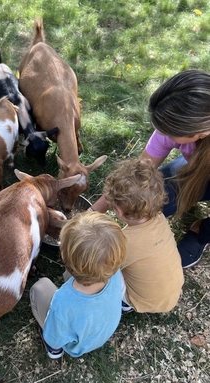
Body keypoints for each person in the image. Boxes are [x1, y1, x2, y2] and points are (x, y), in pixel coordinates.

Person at [90, 69, 210, 268]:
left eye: (170, 133)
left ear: (203, 133)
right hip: (198, 166)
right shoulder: (177, 126)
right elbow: (139, 173)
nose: (162, 135)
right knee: (146, 202)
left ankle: (202, 232)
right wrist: (94, 211)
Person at [30, 212, 126, 359]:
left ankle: (54, 351)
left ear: (63, 255)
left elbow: (54, 335)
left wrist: (53, 342)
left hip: (78, 346)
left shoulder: (63, 301)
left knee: (40, 287)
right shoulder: (112, 269)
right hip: (102, 332)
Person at [102, 158, 184, 313]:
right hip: (172, 292)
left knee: (104, 265)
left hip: (144, 301)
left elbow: (102, 267)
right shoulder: (159, 217)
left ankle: (125, 302)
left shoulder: (123, 242)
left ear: (118, 210)